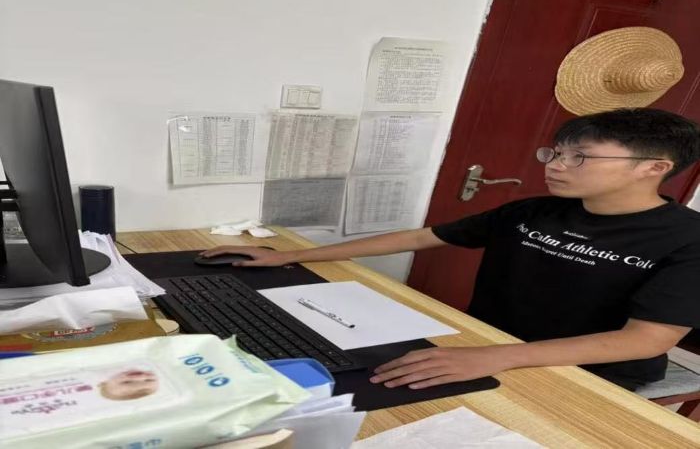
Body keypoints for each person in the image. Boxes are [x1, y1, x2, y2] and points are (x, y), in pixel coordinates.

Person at [202, 108, 700, 391]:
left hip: (588, 375)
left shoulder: (687, 239)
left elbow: (644, 340)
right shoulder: (534, 210)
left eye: (580, 157)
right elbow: (422, 237)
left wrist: (497, 357)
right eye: (557, 152)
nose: (556, 165)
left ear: (653, 167)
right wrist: (290, 256)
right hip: (484, 344)